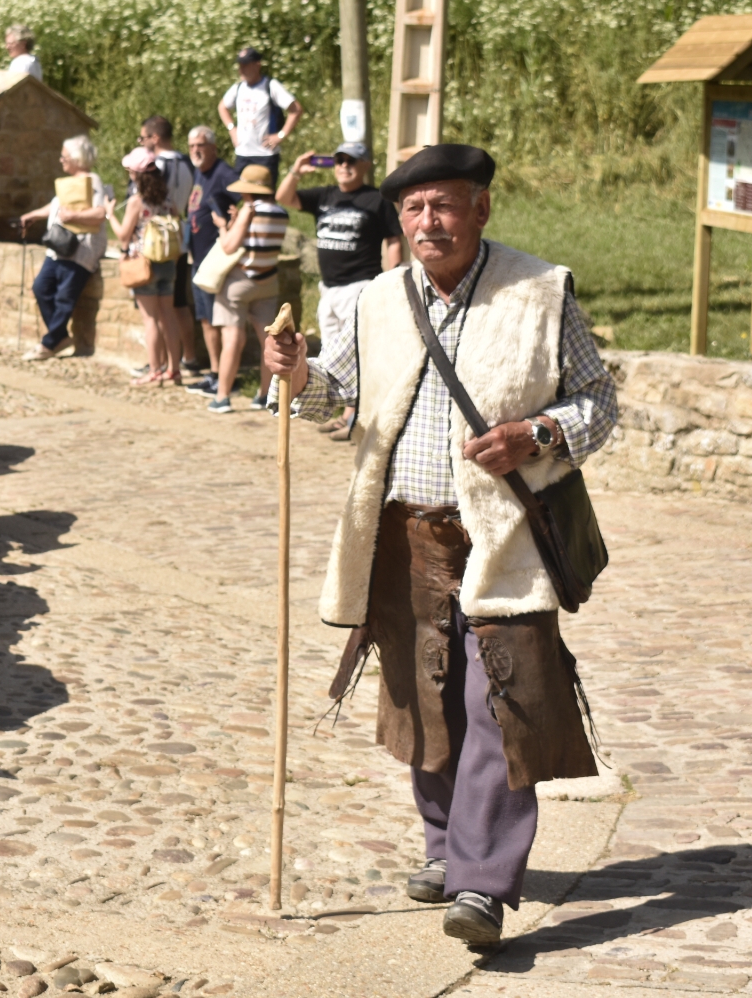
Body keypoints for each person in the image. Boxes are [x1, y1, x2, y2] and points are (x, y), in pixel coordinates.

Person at [262, 144, 617, 947]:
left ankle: (483, 882)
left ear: (481, 209)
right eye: (415, 209)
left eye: (445, 205)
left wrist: (536, 434)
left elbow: (598, 401)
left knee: (499, 703)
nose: (429, 222)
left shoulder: (540, 291)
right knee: (426, 696)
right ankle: (446, 846)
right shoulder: (374, 300)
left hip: (504, 535)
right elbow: (336, 402)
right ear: (399, 220)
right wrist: (294, 373)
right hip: (404, 532)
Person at [276, 141, 405, 440]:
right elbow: (284, 197)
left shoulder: (376, 199)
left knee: (358, 353)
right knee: (334, 353)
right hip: (329, 289)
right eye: (339, 160)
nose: (344, 166)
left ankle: (355, 416)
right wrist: (296, 170)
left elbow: (394, 239)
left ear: (365, 165)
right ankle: (345, 412)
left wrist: (392, 278)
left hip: (360, 286)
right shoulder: (325, 195)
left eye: (351, 161)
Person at [17, 135, 109, 362]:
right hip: (59, 247)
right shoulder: (70, 183)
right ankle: (59, 338)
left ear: (77, 158)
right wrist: (33, 215)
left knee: (64, 298)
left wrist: (74, 216)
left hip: (80, 250)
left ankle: (48, 344)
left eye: (64, 156)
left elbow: (100, 213)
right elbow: (56, 206)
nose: (61, 160)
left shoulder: (92, 181)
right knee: (41, 287)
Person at [206, 164, 286, 414]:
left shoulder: (248, 211)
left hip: (240, 283)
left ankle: (222, 396)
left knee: (233, 338)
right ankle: (264, 395)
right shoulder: (281, 212)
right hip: (268, 282)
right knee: (268, 341)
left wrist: (223, 225)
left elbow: (229, 246)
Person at [106, 148, 181, 385]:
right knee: (169, 317)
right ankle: (174, 369)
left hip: (144, 264)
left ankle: (155, 370)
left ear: (136, 174)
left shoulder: (137, 201)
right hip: (167, 262)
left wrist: (110, 215)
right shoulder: (167, 199)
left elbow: (123, 235)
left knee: (150, 320)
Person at [137, 115, 200, 376]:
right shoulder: (188, 162)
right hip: (179, 236)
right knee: (178, 302)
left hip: (156, 240)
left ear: (155, 138)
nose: (141, 143)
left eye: (142, 138)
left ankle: (160, 361)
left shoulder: (154, 165)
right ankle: (189, 357)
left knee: (159, 307)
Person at [182, 126, 239, 398]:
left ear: (213, 148)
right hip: (199, 261)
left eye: (201, 145)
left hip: (215, 261)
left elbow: (245, 199)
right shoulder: (200, 172)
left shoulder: (223, 173)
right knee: (205, 318)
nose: (195, 150)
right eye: (192, 145)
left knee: (217, 320)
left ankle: (225, 377)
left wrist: (233, 223)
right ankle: (214, 373)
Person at [217, 47, 301, 181]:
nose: (241, 69)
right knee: (242, 192)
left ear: (257, 65)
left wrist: (281, 135)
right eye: (240, 65)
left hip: (265, 155)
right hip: (243, 154)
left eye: (245, 65)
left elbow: (296, 110)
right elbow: (222, 107)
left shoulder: (270, 86)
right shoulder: (238, 88)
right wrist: (232, 129)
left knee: (264, 193)